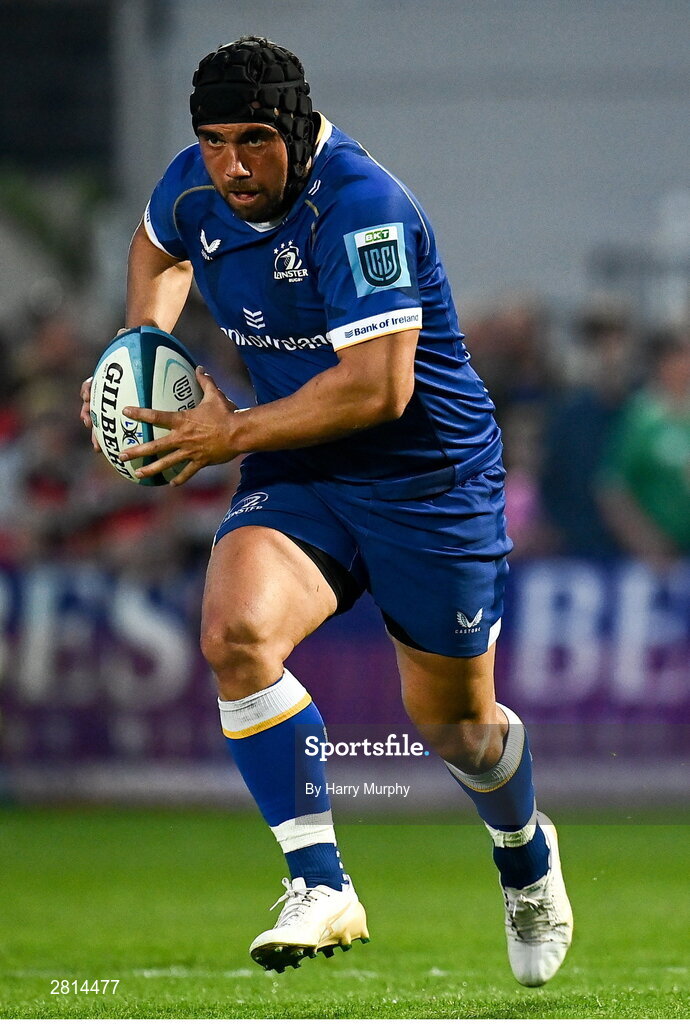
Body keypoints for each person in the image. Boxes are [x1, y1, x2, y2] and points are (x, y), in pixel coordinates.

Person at [80, 36, 572, 985]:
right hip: (298, 465)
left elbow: (379, 390)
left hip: (426, 480)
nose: (232, 165)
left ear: (300, 130)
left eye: (255, 140)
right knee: (233, 634)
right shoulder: (197, 185)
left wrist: (229, 434)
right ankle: (320, 883)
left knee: (456, 726)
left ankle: (525, 856)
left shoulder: (362, 209)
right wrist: (140, 345)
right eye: (215, 140)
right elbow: (156, 242)